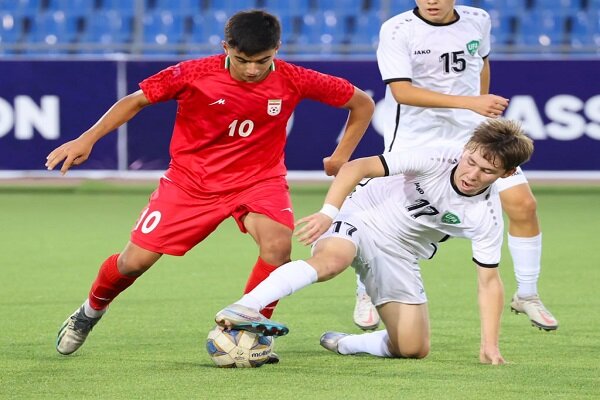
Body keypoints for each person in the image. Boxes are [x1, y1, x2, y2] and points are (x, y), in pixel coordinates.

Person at [46, 10, 375, 357]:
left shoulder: (294, 78)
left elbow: (362, 103)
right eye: (242, 60)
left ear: (277, 49)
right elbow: (136, 100)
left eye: (262, 61)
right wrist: (88, 139)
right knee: (134, 263)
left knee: (278, 246)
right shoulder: (194, 73)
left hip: (259, 180)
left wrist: (342, 155)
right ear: (225, 47)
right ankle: (89, 312)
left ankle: (251, 329)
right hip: (190, 183)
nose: (252, 69)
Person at [215, 118, 533, 365]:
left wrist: (489, 345)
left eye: (487, 171)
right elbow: (357, 167)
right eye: (471, 160)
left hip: (400, 253)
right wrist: (329, 213)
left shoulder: (486, 216)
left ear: (506, 174)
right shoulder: (436, 156)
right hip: (361, 214)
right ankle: (246, 306)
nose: (472, 173)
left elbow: (489, 282)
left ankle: (347, 343)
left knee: (412, 348)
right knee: (331, 262)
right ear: (467, 148)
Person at [351, 0, 557, 331]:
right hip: (415, 140)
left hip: (470, 140)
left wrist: (481, 112)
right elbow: (402, 92)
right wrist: (470, 102)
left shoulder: (478, 19)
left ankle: (528, 294)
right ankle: (365, 292)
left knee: (523, 204)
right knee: (386, 222)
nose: (431, 1)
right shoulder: (397, 29)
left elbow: (481, 64)